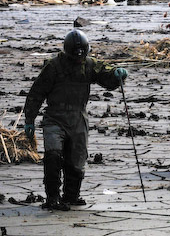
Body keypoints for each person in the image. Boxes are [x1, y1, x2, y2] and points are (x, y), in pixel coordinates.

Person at [23, 29, 128, 210]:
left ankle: (71, 196)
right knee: (53, 156)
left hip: (79, 117)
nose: (78, 58)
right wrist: (29, 119)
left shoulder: (89, 64)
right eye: (75, 55)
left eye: (82, 55)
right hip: (55, 117)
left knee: (77, 160)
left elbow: (106, 76)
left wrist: (118, 75)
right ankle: (52, 198)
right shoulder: (54, 66)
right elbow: (37, 92)